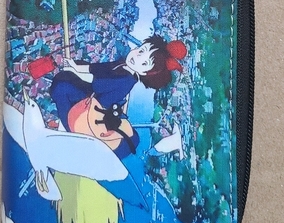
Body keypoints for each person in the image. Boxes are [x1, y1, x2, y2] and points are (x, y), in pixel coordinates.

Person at [49, 35, 187, 158]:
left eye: (144, 63)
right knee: (65, 80)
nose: (137, 58)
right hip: (92, 102)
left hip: (92, 113)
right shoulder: (122, 64)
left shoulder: (127, 80)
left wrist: (75, 71)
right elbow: (95, 69)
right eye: (141, 51)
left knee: (61, 86)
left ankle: (70, 131)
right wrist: (75, 67)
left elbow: (96, 82)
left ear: (147, 73)